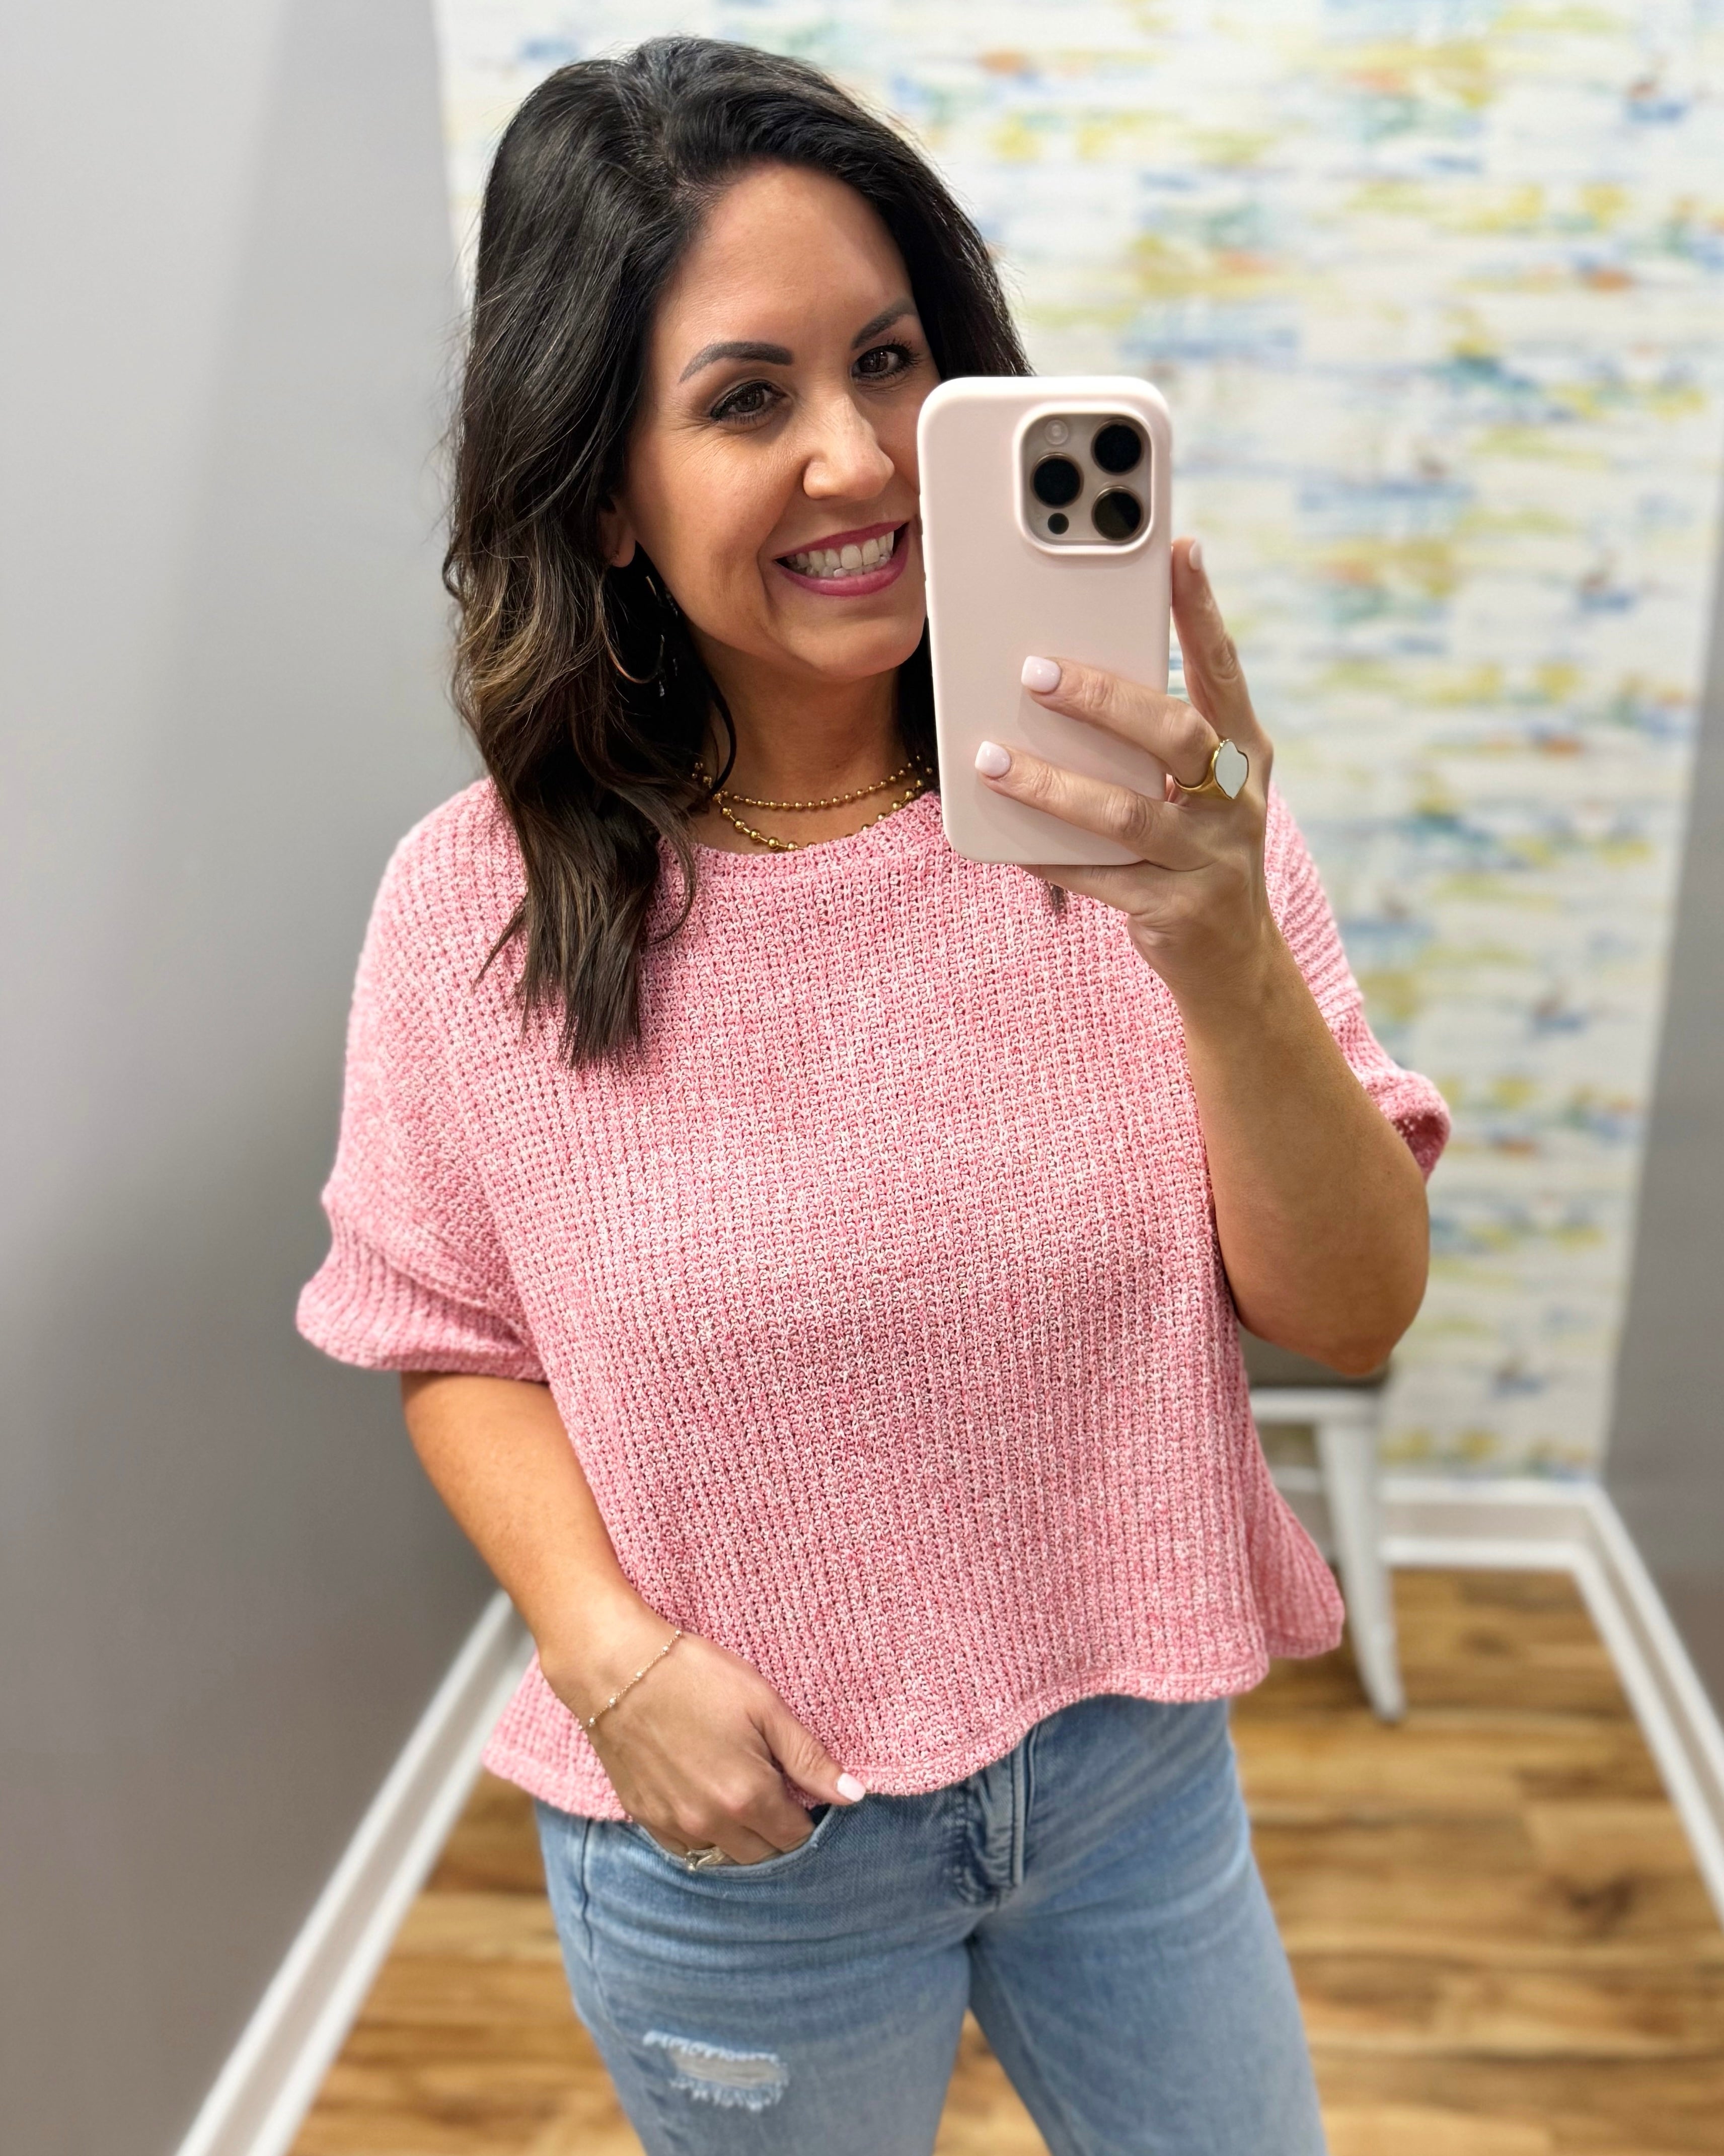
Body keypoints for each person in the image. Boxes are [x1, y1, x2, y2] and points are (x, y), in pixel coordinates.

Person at [297, 35, 1448, 2156]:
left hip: (1130, 1781)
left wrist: (1210, 935)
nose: (861, 456)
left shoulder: (1152, 816)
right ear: (606, 497)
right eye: (747, 399)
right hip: (744, 1850)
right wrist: (610, 1662)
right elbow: (448, 1338)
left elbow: (1351, 1313)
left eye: (895, 362)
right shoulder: (475, 911)